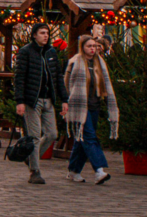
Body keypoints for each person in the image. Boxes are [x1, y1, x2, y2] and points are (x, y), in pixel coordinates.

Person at [14, 23, 69, 184]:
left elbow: (58, 77)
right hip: (33, 99)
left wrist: (64, 99)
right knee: (34, 135)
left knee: (52, 133)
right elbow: (19, 77)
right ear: (34, 35)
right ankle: (35, 171)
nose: (45, 36)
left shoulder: (51, 52)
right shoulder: (26, 52)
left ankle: (32, 158)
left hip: (48, 99)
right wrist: (20, 101)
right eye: (42, 33)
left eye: (47, 33)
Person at [64, 35, 119, 185]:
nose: (92, 49)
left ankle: (74, 170)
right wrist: (67, 101)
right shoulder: (75, 62)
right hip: (79, 106)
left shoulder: (100, 63)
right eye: (89, 46)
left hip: (94, 105)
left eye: (94, 46)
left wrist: (109, 103)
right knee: (89, 136)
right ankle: (99, 170)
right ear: (82, 47)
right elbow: (66, 83)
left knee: (81, 139)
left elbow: (105, 84)